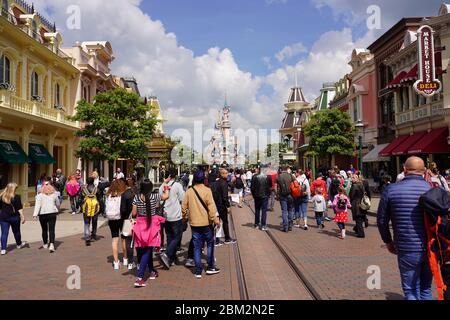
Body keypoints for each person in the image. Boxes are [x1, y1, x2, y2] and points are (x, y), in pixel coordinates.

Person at [377, 156, 433, 300]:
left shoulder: (391, 189)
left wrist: (388, 241)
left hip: (406, 247)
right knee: (426, 289)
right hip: (431, 247)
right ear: (424, 171)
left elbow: (382, 220)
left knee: (411, 290)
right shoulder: (432, 190)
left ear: (404, 169)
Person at [182, 170, 220, 279]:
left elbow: (184, 208)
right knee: (210, 244)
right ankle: (210, 267)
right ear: (204, 179)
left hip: (194, 223)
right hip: (207, 223)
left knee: (197, 247)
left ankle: (198, 271)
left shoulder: (189, 191)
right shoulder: (207, 190)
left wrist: (185, 218)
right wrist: (215, 219)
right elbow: (212, 207)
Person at [132, 180, 169, 287]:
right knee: (147, 251)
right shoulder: (155, 196)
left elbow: (134, 213)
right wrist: (166, 187)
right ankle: (140, 277)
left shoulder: (137, 197)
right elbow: (166, 196)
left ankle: (152, 271)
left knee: (145, 249)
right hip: (152, 224)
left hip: (140, 225)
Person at [158, 170, 185, 269]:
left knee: (169, 236)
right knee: (177, 237)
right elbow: (183, 198)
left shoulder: (162, 186)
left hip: (165, 215)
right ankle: (167, 253)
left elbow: (160, 199)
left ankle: (171, 258)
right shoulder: (177, 185)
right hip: (176, 215)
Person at [105, 179, 127, 270]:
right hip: (120, 217)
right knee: (124, 238)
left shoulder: (108, 195)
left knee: (114, 239)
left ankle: (116, 261)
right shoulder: (122, 195)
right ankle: (125, 258)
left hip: (111, 218)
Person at [33, 179, 60, 252]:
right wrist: (57, 209)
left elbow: (37, 205)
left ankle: (45, 243)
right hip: (52, 213)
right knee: (52, 229)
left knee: (44, 229)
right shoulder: (54, 195)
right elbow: (58, 204)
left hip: (43, 214)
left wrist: (35, 214)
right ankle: (51, 244)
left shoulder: (39, 196)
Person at [210, 168, 236, 245]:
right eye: (226, 173)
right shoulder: (224, 183)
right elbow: (225, 196)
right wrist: (227, 206)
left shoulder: (216, 182)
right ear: (222, 174)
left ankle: (217, 240)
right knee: (225, 222)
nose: (227, 175)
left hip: (216, 204)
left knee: (217, 222)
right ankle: (227, 238)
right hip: (222, 205)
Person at [0, 183, 26, 255]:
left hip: (3, 217)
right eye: (15, 188)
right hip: (14, 217)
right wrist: (22, 217)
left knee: (4, 233)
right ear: (12, 189)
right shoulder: (16, 197)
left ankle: (3, 249)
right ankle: (19, 244)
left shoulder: (2, 196)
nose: (16, 190)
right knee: (16, 232)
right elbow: (19, 208)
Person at [80, 176, 101, 245]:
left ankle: (87, 237)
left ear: (87, 182)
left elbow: (80, 199)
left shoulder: (83, 189)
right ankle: (93, 235)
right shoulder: (96, 189)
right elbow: (99, 199)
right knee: (94, 222)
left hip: (86, 207)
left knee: (87, 223)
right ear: (93, 181)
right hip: (95, 208)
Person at [121, 177, 137, 270]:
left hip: (127, 220)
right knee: (139, 242)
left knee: (129, 242)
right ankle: (139, 262)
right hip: (139, 220)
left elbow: (122, 209)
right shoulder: (138, 193)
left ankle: (130, 262)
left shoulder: (125, 195)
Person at [250, 165, 272, 231]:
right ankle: (263, 225)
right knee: (264, 211)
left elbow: (252, 188)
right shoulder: (268, 177)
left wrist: (254, 195)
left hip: (257, 196)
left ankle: (256, 224)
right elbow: (270, 186)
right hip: (265, 196)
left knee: (257, 210)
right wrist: (268, 194)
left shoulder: (254, 176)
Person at [276, 166, 295, 232]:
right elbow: (295, 184)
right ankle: (290, 226)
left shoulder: (279, 176)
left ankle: (285, 226)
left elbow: (276, 187)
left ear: (281, 169)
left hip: (282, 195)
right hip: (291, 195)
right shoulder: (291, 175)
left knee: (284, 211)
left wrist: (277, 195)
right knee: (290, 210)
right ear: (287, 169)